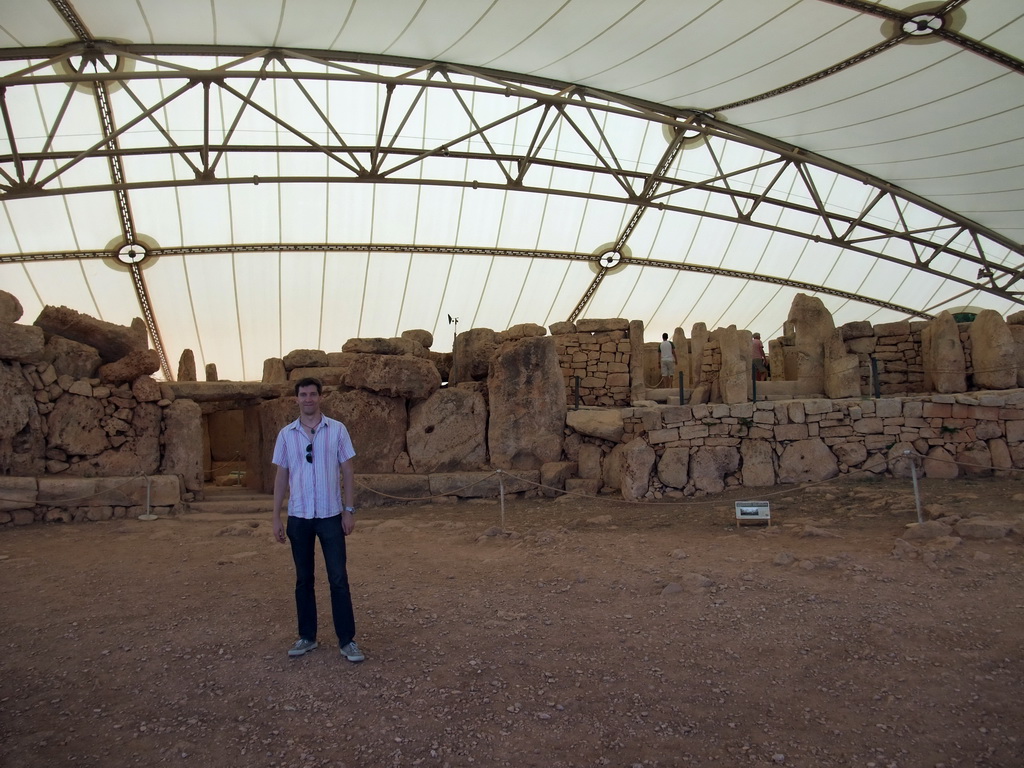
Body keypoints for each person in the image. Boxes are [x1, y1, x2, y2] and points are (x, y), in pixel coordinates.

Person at [272, 377, 364, 663]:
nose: (308, 399)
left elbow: (347, 470)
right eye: (303, 395)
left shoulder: (337, 430)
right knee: (303, 579)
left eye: (313, 394)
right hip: (299, 516)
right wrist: (276, 516)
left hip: (330, 515)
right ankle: (307, 637)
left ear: (320, 397)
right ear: (296, 399)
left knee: (338, 578)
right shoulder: (287, 434)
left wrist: (349, 510)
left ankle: (347, 640)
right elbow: (282, 475)